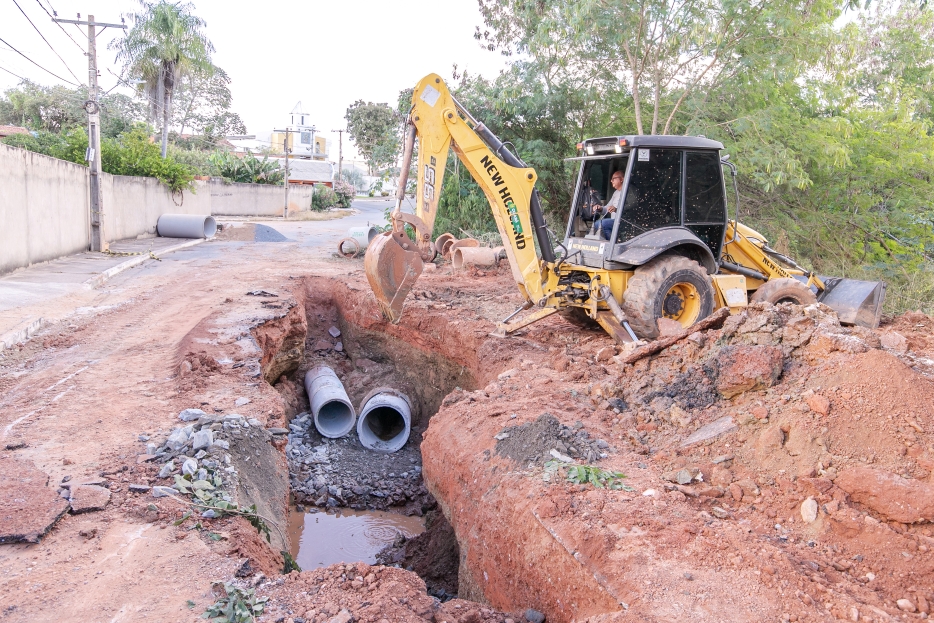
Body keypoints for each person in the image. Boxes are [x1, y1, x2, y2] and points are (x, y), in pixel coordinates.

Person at [597, 170, 625, 239]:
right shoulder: (616, 193)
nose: (611, 181)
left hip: (624, 221)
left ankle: (611, 244)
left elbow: (632, 208)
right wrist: (600, 208)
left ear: (621, 179)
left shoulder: (630, 191)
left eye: (613, 179)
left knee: (602, 224)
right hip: (614, 221)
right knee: (597, 224)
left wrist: (616, 209)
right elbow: (607, 208)